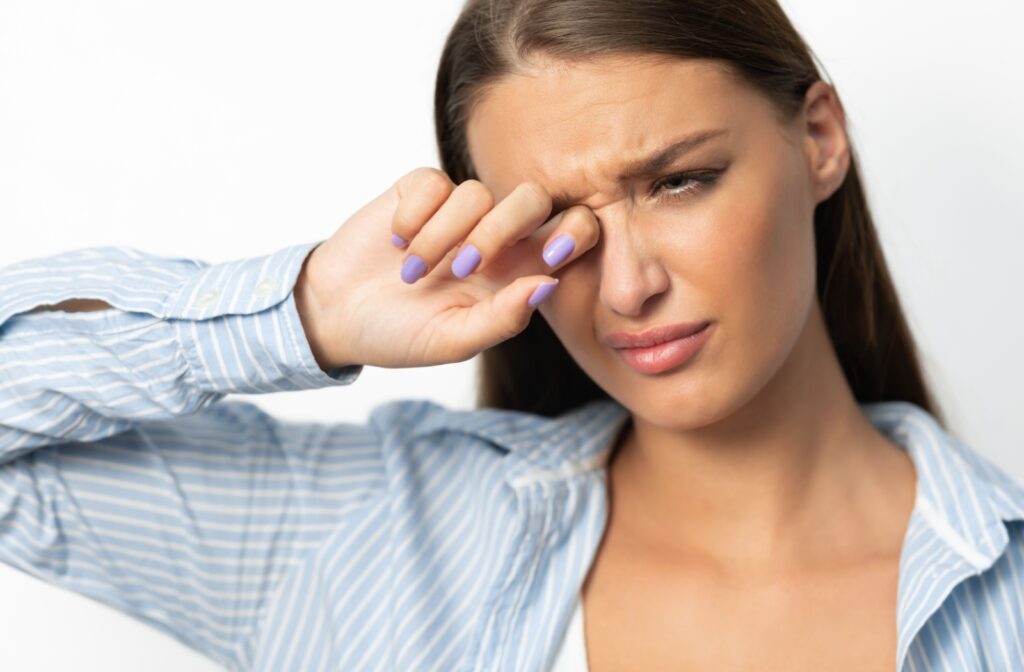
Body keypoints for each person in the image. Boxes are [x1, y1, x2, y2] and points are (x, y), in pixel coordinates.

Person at [1, 0, 1022, 670]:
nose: (626, 287)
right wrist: (305, 313)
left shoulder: (1002, 599)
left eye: (678, 181)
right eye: (551, 226)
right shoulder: (370, 536)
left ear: (817, 140)